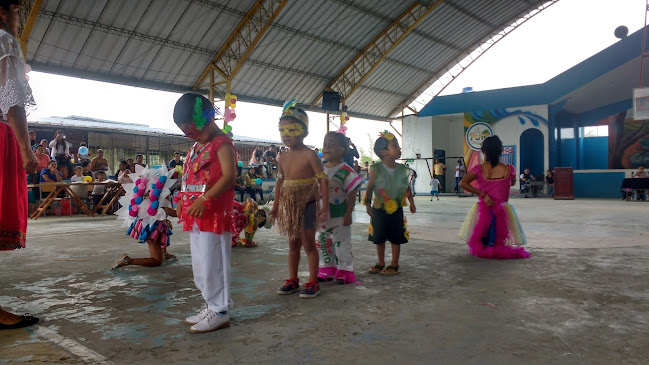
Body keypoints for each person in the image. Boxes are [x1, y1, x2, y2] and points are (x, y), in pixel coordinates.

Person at [173, 93, 236, 333]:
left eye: (193, 131)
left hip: (214, 214)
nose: (192, 137)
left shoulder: (222, 144)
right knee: (200, 265)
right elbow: (189, 177)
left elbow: (229, 177)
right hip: (196, 214)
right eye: (187, 133)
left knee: (214, 263)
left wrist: (204, 198)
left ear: (208, 120)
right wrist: (181, 199)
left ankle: (220, 310)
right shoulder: (197, 147)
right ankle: (211, 304)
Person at [0, 0, 40, 329]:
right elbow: (12, 100)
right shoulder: (4, 41)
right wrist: (26, 151)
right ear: (2, 11)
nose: (18, 20)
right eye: (17, 12)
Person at [270, 100, 328, 298]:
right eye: (282, 130)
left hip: (308, 204)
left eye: (292, 130)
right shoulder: (283, 156)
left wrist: (324, 206)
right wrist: (276, 205)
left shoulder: (310, 155)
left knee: (309, 243)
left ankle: (313, 281)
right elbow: (279, 181)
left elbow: (322, 181)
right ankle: (293, 279)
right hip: (290, 206)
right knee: (293, 243)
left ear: (304, 132)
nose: (286, 135)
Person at [459, 135, 529, 259]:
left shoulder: (478, 169)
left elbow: (462, 183)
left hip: (484, 206)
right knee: (498, 234)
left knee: (483, 231)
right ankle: (493, 248)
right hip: (502, 208)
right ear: (500, 151)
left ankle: (486, 248)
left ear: (484, 152)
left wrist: (482, 194)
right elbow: (512, 183)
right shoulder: (509, 169)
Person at [364, 131, 416, 276]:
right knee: (379, 236)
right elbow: (370, 187)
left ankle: (394, 264)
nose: (399, 148)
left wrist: (411, 202)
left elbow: (406, 188)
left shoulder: (403, 170)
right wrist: (367, 205)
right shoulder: (375, 169)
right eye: (395, 146)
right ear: (384, 152)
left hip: (397, 208)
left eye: (398, 146)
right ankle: (381, 262)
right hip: (379, 209)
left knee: (396, 237)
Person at [316, 132, 363, 284]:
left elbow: (352, 192)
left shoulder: (345, 170)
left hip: (339, 215)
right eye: (325, 144)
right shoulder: (319, 170)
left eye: (332, 144)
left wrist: (349, 213)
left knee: (341, 243)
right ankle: (326, 268)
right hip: (322, 215)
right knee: (322, 241)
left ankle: (345, 269)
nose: (327, 147)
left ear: (342, 149)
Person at [112, 166, 178, 270]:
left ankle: (164, 252)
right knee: (156, 261)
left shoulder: (146, 198)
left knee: (167, 225)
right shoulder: (162, 201)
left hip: (148, 225)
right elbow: (174, 213)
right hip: (152, 229)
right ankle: (128, 260)